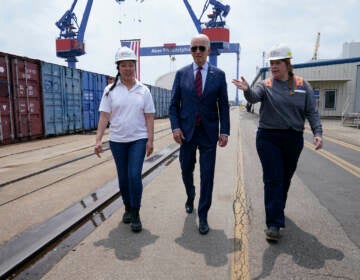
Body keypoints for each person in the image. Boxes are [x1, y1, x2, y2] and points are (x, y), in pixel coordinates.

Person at [232, 44, 323, 242]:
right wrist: (247, 90)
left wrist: (318, 132)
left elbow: (312, 112)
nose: (273, 67)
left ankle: (277, 208)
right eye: (271, 63)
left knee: (285, 178)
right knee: (273, 179)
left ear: (287, 64)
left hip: (293, 138)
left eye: (277, 63)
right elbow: (254, 97)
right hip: (268, 138)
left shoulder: (302, 85)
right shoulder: (266, 85)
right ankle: (273, 224)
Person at [169, 34, 230, 235]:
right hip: (186, 133)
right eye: (193, 48)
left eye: (201, 48)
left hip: (208, 134)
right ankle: (190, 195)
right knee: (186, 169)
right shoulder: (181, 74)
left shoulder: (218, 75)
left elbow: (223, 106)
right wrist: (175, 128)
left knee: (207, 174)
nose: (197, 52)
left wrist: (224, 131)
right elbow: (173, 106)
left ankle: (203, 215)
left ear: (209, 51)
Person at [94, 46, 155, 233]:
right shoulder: (110, 90)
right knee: (123, 178)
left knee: (134, 175)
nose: (127, 68)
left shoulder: (143, 90)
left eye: (131, 65)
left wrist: (150, 140)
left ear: (135, 67)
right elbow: (104, 116)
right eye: (124, 65)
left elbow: (149, 117)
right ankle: (127, 207)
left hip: (138, 139)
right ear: (118, 68)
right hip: (117, 141)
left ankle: (136, 212)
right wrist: (98, 140)